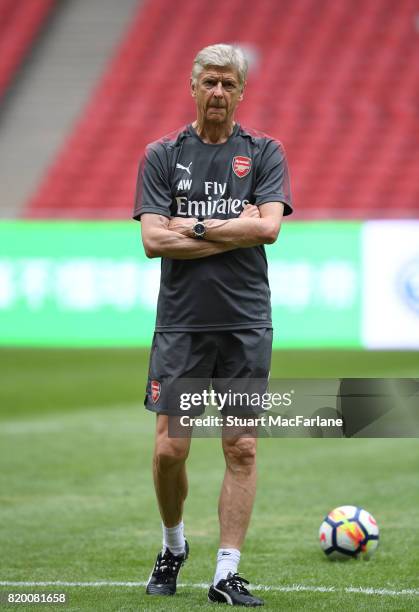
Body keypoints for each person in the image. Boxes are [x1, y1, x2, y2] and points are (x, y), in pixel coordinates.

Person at [133, 43, 293, 607]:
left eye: (229, 83)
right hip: (182, 326)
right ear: (192, 86)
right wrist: (233, 225)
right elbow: (154, 240)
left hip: (246, 323)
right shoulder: (161, 154)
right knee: (170, 451)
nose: (219, 92)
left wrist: (195, 228)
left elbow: (269, 229)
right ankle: (173, 546)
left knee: (242, 447)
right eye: (210, 83)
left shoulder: (266, 152)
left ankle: (227, 572)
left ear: (242, 91)